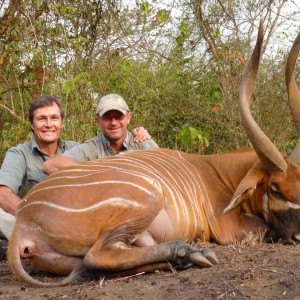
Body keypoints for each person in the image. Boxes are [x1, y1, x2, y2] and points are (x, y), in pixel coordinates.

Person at [0, 95, 151, 240]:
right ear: (32, 124)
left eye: (54, 118)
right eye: (41, 119)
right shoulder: (18, 154)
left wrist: (136, 135)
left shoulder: (76, 149)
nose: (48, 124)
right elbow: (3, 194)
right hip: (32, 221)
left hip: (72, 222)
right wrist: (32, 218)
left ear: (61, 122)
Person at [43, 93, 159, 175]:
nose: (113, 123)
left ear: (128, 118)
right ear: (98, 120)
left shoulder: (142, 142)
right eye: (107, 118)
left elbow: (163, 174)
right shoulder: (92, 147)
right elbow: (50, 165)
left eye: (118, 116)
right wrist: (101, 173)